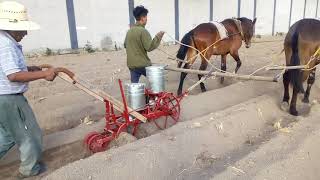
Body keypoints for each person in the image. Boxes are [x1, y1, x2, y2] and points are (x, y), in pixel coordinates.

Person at [0, 1, 57, 178]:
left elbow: (11, 70)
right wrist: (43, 74)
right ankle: (29, 170)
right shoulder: (5, 45)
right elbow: (13, 75)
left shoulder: (5, 40)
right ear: (11, 26)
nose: (25, 33)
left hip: (5, 97)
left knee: (8, 136)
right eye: (23, 29)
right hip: (10, 99)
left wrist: (30, 68)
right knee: (28, 134)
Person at [124, 5, 165, 83]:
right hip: (142, 65)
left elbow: (125, 45)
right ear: (142, 18)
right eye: (146, 17)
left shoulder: (129, 31)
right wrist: (158, 37)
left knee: (135, 86)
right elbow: (149, 47)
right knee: (156, 82)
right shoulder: (143, 31)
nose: (147, 19)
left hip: (131, 65)